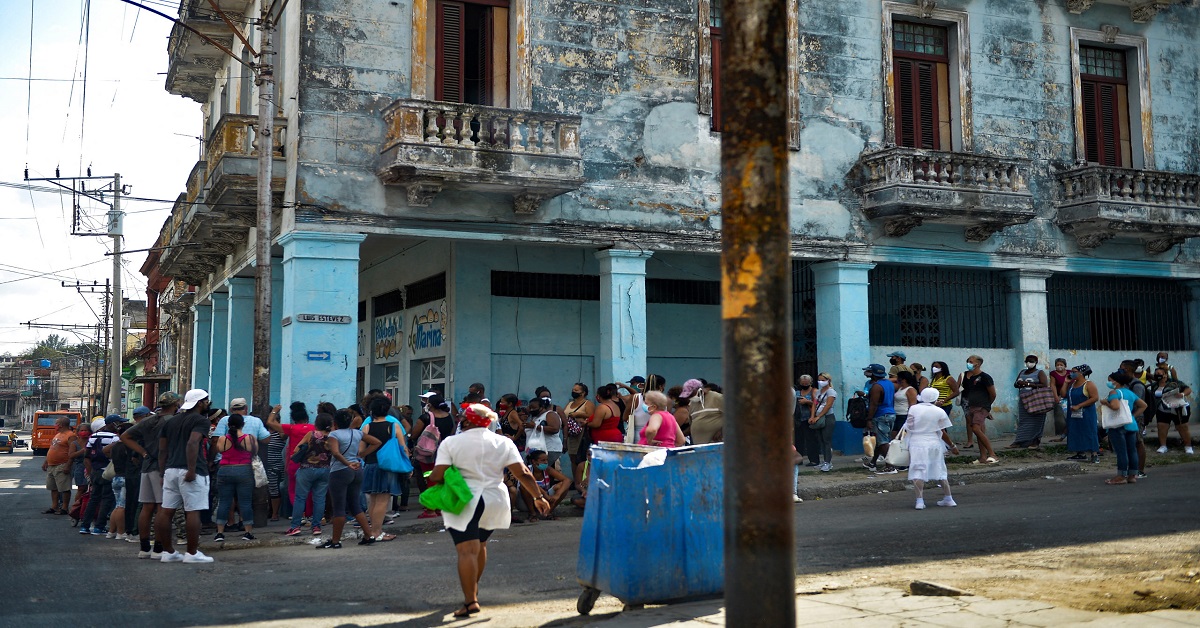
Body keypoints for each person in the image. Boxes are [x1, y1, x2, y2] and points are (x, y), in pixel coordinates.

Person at [428, 404, 549, 618]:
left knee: (466, 551)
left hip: (465, 500)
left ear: (466, 421)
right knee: (480, 545)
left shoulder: (451, 442)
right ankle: (472, 590)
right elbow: (522, 472)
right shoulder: (503, 442)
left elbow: (436, 476)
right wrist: (538, 497)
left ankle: (470, 601)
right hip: (495, 500)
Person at [156, 389, 216, 564]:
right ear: (199, 403)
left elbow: (162, 449)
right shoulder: (200, 420)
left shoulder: (171, 421)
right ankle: (192, 552)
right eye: (206, 401)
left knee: (166, 511)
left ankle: (168, 552)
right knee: (193, 511)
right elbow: (193, 442)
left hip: (170, 470)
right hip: (191, 470)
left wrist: (162, 472)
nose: (207, 404)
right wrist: (191, 469)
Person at [121, 391, 181, 559]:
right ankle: (159, 548)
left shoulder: (148, 420)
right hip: (162, 467)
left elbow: (125, 436)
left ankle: (144, 547)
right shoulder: (173, 421)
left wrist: (143, 453)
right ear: (175, 405)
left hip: (146, 466)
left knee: (147, 507)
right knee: (163, 507)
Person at [320, 409, 382, 549]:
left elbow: (335, 452)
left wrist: (347, 463)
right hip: (357, 470)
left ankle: (335, 541)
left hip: (340, 471)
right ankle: (369, 535)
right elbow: (376, 442)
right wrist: (361, 455)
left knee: (339, 507)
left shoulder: (334, 434)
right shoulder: (357, 433)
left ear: (335, 423)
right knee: (355, 505)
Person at [904, 388, 961, 509]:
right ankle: (949, 498)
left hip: (917, 442)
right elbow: (942, 431)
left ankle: (919, 501)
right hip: (934, 443)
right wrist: (952, 446)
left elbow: (909, 426)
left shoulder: (914, 408)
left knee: (918, 470)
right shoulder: (939, 411)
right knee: (940, 469)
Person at [361, 397, 404, 542]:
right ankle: (376, 532)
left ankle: (373, 530)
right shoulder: (393, 426)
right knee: (383, 501)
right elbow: (403, 447)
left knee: (373, 501)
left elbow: (361, 450)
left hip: (371, 465)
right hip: (387, 466)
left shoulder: (367, 426)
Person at [266, 402, 316, 520]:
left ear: (293, 418)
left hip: (294, 463)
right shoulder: (313, 428)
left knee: (293, 491)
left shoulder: (291, 428)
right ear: (306, 417)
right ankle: (308, 514)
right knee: (309, 490)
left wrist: (274, 411)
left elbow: (270, 423)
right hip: (310, 463)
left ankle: (300, 514)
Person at [212, 414, 258, 542]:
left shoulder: (222, 439)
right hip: (244, 470)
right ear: (243, 424)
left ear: (228, 425)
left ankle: (220, 533)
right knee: (245, 502)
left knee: (224, 501)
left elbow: (220, 451)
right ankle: (248, 532)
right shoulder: (249, 438)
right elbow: (254, 452)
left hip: (225, 470)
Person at [286, 413, 333, 536]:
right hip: (325, 470)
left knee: (300, 498)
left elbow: (297, 449)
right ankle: (316, 526)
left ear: (317, 424)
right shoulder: (332, 437)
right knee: (319, 499)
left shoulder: (311, 434)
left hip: (307, 469)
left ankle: (295, 526)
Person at [413, 394, 457, 519]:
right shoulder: (450, 418)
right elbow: (452, 433)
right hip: (445, 453)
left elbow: (415, 433)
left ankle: (430, 509)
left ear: (429, 405)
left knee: (429, 479)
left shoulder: (425, 417)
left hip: (428, 454)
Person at [80, 414, 124, 535]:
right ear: (112, 424)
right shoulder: (115, 438)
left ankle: (85, 525)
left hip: (95, 471)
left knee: (93, 498)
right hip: (108, 471)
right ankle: (99, 526)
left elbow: (87, 456)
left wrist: (90, 472)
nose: (120, 426)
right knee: (106, 499)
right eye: (119, 423)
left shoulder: (93, 436)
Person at [1103, 371, 1147, 485]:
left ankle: (1121, 475)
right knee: (1131, 450)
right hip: (1130, 424)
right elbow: (1143, 405)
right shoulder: (1129, 393)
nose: (1109, 382)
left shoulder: (1114, 392)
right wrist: (1132, 416)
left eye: (1110, 380)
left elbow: (1115, 406)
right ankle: (1132, 475)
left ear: (1115, 381)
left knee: (1121, 451)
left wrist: (1105, 402)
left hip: (1117, 425)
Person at [860, 364, 898, 474]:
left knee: (883, 442)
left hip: (881, 415)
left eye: (868, 371)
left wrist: (869, 419)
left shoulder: (876, 386)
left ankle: (890, 466)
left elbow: (874, 404)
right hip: (890, 414)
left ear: (873, 373)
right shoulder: (889, 384)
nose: (866, 373)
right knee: (880, 441)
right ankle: (873, 463)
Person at [961, 355, 998, 464]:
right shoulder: (970, 378)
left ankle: (992, 454)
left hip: (981, 407)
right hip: (972, 406)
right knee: (979, 431)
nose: (969, 363)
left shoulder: (985, 377)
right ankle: (983, 456)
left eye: (971, 361)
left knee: (976, 428)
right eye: (968, 361)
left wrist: (986, 408)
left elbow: (992, 394)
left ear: (978, 364)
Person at [102, 423, 136, 540]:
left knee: (117, 506)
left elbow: (105, 450)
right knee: (122, 506)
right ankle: (121, 532)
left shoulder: (116, 446)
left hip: (116, 477)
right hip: (125, 478)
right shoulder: (129, 446)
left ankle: (111, 531)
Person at [1010, 355, 1050, 449]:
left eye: (1031, 361)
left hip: (1036, 399)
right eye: (1027, 361)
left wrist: (1028, 384)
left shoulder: (1040, 373)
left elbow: (1044, 385)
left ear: (1036, 362)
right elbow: (1016, 384)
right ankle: (1020, 441)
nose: (1029, 363)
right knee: (1024, 421)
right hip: (1024, 399)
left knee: (1037, 420)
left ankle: (1035, 441)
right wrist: (1019, 384)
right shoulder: (1022, 372)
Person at [519, 449, 571, 519]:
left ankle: (548, 512)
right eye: (543, 460)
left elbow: (567, 480)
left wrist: (557, 495)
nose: (546, 462)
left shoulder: (548, 469)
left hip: (545, 498)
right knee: (524, 486)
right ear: (534, 461)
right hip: (527, 501)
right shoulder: (527, 470)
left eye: (546, 460)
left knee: (563, 486)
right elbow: (531, 484)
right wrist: (545, 494)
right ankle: (532, 513)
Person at [1151, 366, 1193, 455]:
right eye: (1156, 374)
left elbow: (1188, 389)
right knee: (1161, 426)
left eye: (1159, 374)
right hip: (1162, 409)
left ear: (1165, 374)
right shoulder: (1154, 385)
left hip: (1177, 408)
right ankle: (1163, 446)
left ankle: (1188, 446)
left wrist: (1182, 394)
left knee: (1182, 427)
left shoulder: (1174, 383)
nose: (1157, 375)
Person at [42, 416, 78, 515]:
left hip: (62, 465)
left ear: (61, 425)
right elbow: (52, 448)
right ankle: (54, 506)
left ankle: (64, 508)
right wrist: (46, 461)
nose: (55, 425)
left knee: (64, 488)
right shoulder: (58, 434)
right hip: (52, 465)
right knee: (53, 487)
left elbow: (72, 452)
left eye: (56, 423)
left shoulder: (70, 436)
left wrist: (68, 465)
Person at [1065, 364, 1101, 464]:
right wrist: (1065, 382)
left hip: (1086, 413)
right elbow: (1064, 394)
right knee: (1075, 431)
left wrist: (1080, 405)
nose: (1071, 374)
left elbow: (1094, 398)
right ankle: (1080, 453)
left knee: (1089, 431)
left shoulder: (1088, 384)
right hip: (1073, 413)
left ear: (1081, 373)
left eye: (1074, 372)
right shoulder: (1072, 384)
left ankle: (1094, 454)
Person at [805, 373, 837, 472]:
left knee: (826, 440)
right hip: (817, 418)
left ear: (828, 381)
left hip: (827, 417)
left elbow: (828, 405)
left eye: (823, 380)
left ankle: (828, 462)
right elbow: (815, 404)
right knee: (821, 440)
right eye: (819, 380)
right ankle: (824, 461)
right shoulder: (819, 392)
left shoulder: (831, 392)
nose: (821, 382)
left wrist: (818, 416)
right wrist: (812, 416)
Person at [561, 383, 593, 476]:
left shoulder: (587, 403)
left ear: (583, 393)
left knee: (581, 458)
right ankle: (576, 481)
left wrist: (578, 415)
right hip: (571, 434)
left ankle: (582, 481)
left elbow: (591, 416)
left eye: (576, 390)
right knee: (573, 458)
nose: (573, 392)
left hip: (582, 434)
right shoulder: (570, 403)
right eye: (573, 390)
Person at [524, 396, 564, 469]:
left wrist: (536, 426)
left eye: (533, 407)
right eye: (530, 407)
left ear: (542, 407)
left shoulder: (550, 414)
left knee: (545, 471)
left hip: (550, 449)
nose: (531, 409)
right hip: (536, 450)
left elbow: (555, 429)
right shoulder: (534, 417)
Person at [683, 378, 724, 445]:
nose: (689, 397)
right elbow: (692, 423)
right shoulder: (692, 404)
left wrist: (722, 431)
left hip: (717, 445)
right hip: (699, 446)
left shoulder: (716, 397)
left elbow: (735, 415)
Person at [794, 375, 818, 466]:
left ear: (810, 383)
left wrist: (807, 402)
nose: (804, 385)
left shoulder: (814, 392)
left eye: (806, 383)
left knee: (811, 440)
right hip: (798, 419)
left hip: (809, 419)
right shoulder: (797, 392)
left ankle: (814, 460)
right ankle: (799, 459)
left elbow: (818, 404)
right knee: (798, 441)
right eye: (802, 383)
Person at [892, 371, 919, 443]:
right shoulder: (900, 388)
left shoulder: (910, 390)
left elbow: (912, 405)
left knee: (902, 436)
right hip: (896, 414)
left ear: (903, 379)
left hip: (904, 415)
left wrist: (910, 417)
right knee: (894, 435)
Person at [1048, 358, 1071, 442]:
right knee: (1067, 417)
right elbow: (1053, 385)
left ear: (1065, 366)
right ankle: (1063, 436)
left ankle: (1064, 437)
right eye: (1057, 365)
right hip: (1062, 398)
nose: (1059, 366)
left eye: (1061, 365)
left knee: (1072, 417)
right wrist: (1056, 397)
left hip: (1071, 396)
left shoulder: (1070, 373)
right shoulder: (1053, 374)